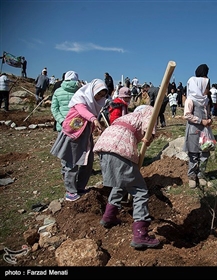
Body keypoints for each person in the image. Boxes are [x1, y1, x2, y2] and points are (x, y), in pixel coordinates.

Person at [93, 105, 160, 249]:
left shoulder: (128, 116)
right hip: (119, 147)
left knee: (121, 182)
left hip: (105, 144)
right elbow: (149, 127)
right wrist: (150, 137)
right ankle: (140, 234)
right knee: (140, 190)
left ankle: (108, 216)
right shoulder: (149, 112)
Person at [50, 78, 108, 202]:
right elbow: (83, 111)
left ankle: (81, 187)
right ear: (92, 91)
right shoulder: (80, 99)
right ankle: (70, 190)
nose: (99, 98)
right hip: (73, 135)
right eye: (98, 94)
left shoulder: (95, 104)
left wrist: (95, 126)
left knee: (88, 162)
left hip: (85, 136)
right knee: (71, 163)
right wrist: (94, 119)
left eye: (102, 95)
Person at [183, 69, 213, 189]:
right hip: (194, 130)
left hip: (205, 131)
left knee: (205, 153)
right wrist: (201, 121)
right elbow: (187, 115)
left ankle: (201, 175)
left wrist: (210, 120)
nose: (208, 90)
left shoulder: (206, 101)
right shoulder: (190, 100)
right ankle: (192, 176)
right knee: (193, 154)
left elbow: (208, 114)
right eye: (207, 87)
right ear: (200, 87)